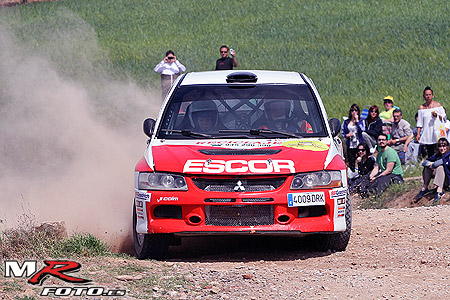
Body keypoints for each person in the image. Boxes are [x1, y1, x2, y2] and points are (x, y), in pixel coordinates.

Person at [414, 137, 450, 204]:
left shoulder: (448, 155)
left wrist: (432, 164)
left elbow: (438, 163)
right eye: (440, 146)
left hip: (448, 179)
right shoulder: (437, 155)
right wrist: (430, 164)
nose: (442, 148)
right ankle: (424, 188)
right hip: (442, 178)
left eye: (444, 146)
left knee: (440, 167)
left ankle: (439, 191)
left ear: (447, 146)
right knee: (427, 168)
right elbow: (424, 163)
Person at [416, 86, 446, 157]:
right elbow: (419, 122)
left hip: (436, 131)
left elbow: (444, 117)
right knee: (430, 152)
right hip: (427, 132)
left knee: (438, 149)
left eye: (429, 94)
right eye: (426, 95)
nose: (428, 96)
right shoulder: (422, 108)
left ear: (432, 95)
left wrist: (437, 115)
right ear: (424, 96)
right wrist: (418, 134)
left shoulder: (437, 105)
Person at [342, 104, 365, 171]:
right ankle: (352, 173)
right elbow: (342, 132)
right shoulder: (346, 122)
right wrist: (347, 135)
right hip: (350, 144)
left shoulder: (361, 121)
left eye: (356, 110)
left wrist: (357, 121)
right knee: (351, 161)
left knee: (359, 160)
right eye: (352, 110)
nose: (354, 112)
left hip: (359, 143)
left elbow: (362, 130)